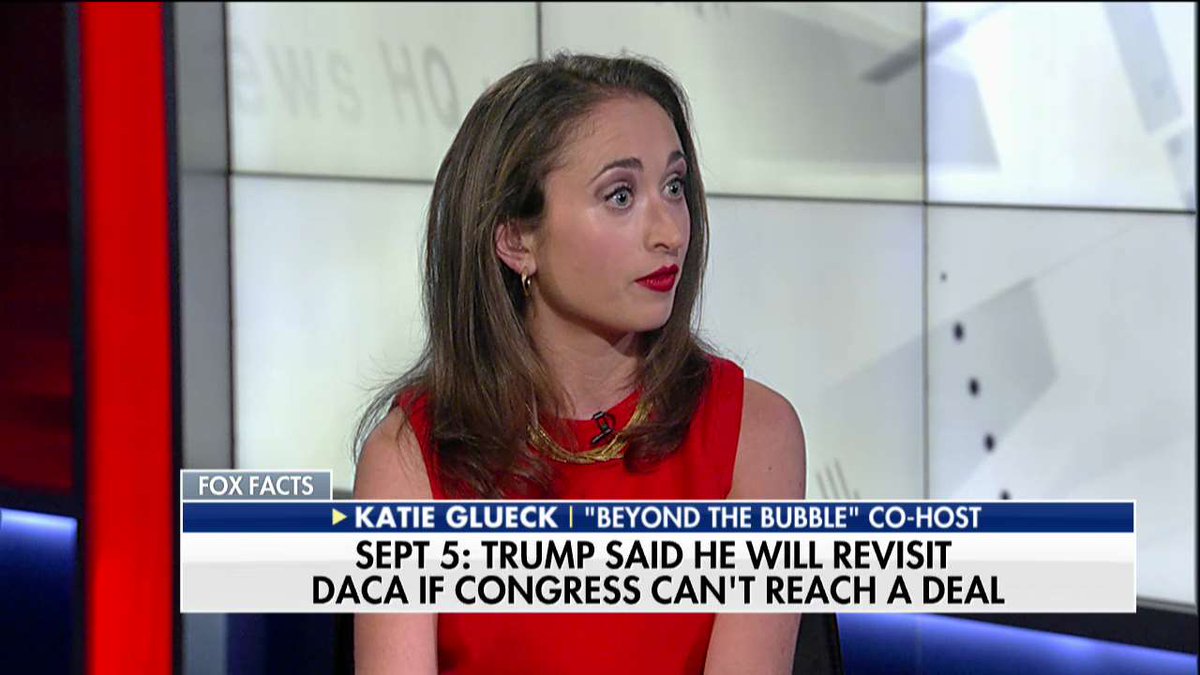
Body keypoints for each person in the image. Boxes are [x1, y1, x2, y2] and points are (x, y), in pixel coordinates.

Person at [353, 52, 806, 674]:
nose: (671, 232)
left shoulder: (754, 435)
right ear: (516, 239)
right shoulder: (411, 456)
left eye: (674, 187)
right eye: (620, 195)